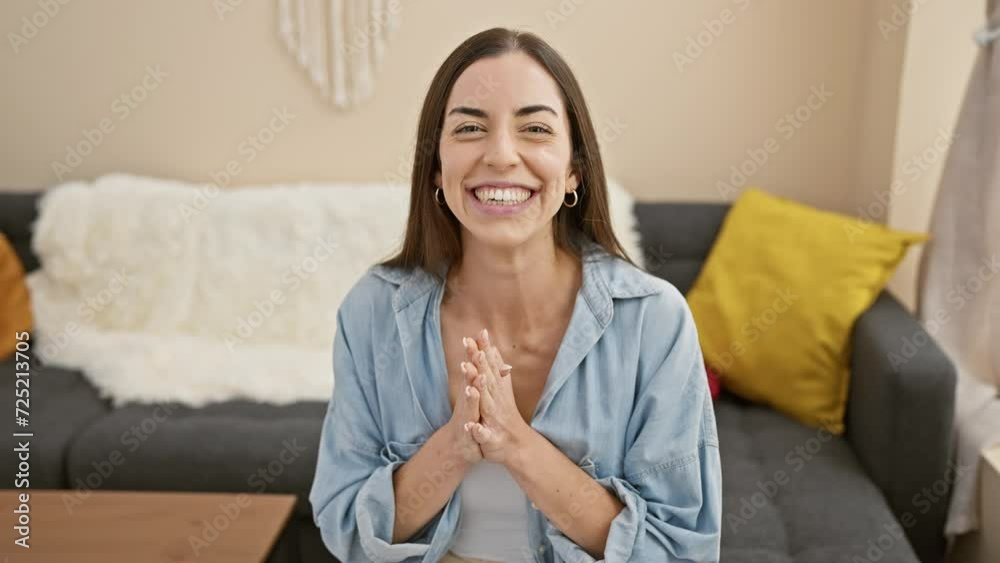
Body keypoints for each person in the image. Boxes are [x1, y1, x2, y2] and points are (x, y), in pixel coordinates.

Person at [309, 27, 722, 563]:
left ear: (574, 170)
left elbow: (679, 551)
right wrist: (455, 446)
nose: (502, 155)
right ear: (436, 168)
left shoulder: (654, 321)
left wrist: (517, 446)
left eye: (534, 129)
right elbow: (344, 526)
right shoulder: (372, 312)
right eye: (469, 128)